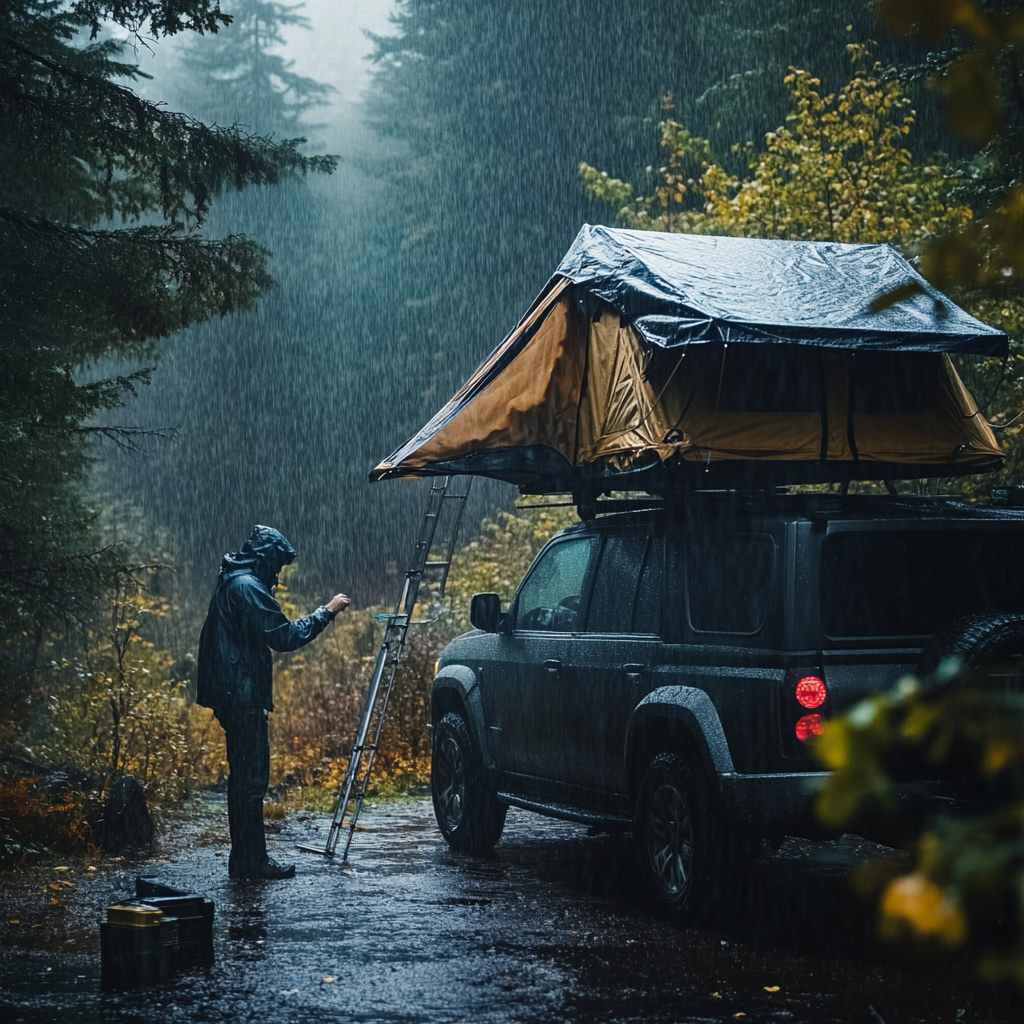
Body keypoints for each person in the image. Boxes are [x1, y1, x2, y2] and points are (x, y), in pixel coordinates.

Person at [197, 525, 349, 880]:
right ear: (265, 559)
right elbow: (284, 636)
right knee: (250, 783)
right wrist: (325, 612)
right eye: (277, 565)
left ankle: (244, 860)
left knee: (242, 782)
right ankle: (253, 864)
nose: (278, 573)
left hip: (233, 693)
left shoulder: (234, 582)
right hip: (242, 695)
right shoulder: (248, 588)